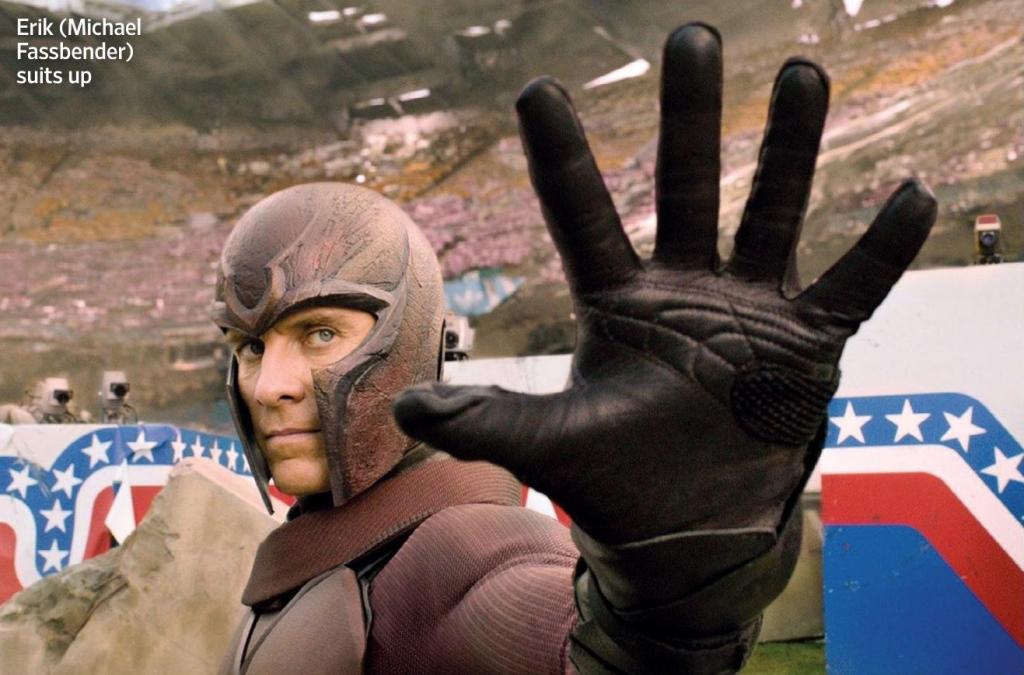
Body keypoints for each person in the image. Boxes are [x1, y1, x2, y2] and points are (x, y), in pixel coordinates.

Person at [213, 23, 936, 674]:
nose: (270, 384)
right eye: (250, 346)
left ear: (412, 340)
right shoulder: (326, 547)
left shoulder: (459, 550)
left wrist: (673, 598)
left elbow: (580, 645)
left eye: (320, 333)